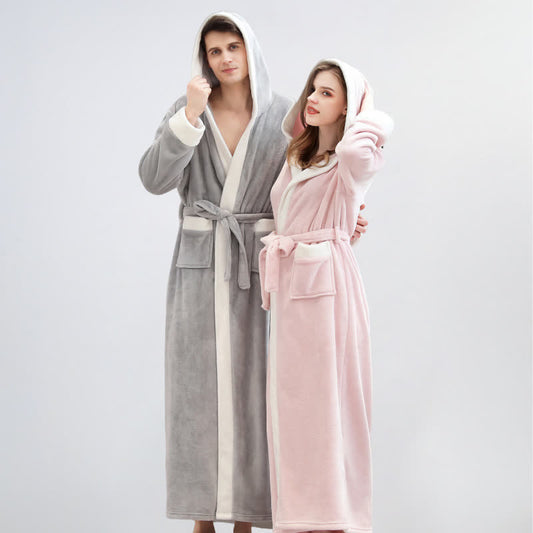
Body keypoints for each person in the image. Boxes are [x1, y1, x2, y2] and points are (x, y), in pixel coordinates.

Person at [138, 12, 368, 532]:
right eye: (214, 51)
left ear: (250, 49)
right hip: (198, 266)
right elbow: (153, 178)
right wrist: (189, 117)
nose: (225, 58)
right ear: (204, 60)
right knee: (194, 391)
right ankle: (201, 518)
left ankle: (246, 519)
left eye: (233, 46)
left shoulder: (285, 115)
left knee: (258, 391)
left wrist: (343, 216)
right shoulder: (188, 111)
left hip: (262, 268)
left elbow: (311, 174)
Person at [258, 59, 393, 533]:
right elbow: (287, 218)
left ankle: (334, 517)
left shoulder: (352, 161)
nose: (313, 99)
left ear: (348, 107)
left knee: (327, 403)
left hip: (328, 291)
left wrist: (368, 112)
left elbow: (362, 149)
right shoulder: (297, 156)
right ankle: (300, 516)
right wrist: (343, 223)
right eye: (312, 89)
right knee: (293, 406)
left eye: (328, 93)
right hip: (291, 290)